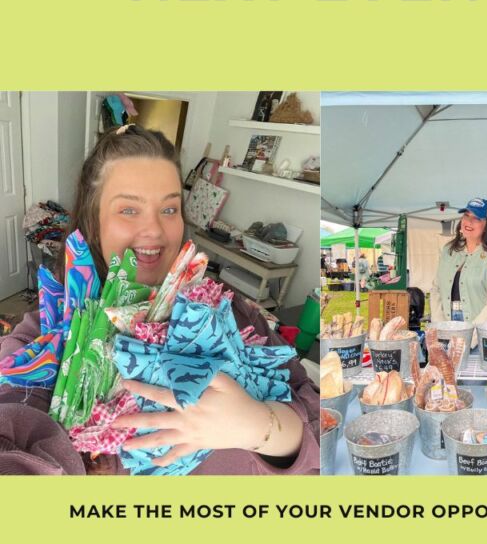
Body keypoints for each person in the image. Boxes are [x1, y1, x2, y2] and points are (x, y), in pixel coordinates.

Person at [0, 125, 319, 476]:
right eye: (129, 210)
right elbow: (14, 420)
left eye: (169, 210)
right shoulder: (43, 338)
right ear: (94, 222)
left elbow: (321, 422)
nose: (154, 229)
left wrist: (263, 428)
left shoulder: (233, 315)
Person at [430, 198, 487, 328]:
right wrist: (440, 325)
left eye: (477, 218)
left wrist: (473, 334)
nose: (469, 221)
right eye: (466, 215)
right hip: (446, 323)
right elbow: (436, 289)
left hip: (479, 326)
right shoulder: (448, 250)